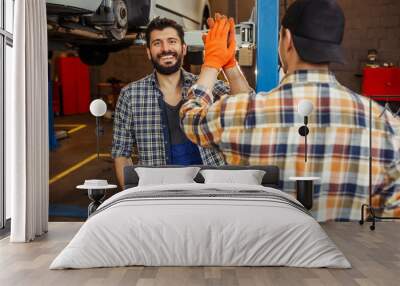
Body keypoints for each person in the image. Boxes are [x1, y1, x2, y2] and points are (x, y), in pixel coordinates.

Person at [180, 0, 400, 221]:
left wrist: (212, 63)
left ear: (287, 40)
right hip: (344, 253)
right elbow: (392, 219)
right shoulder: (384, 125)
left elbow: (191, 118)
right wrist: (230, 66)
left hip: (265, 253)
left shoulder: (242, 113)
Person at [111, 17, 251, 187]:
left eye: (172, 41)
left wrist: (230, 64)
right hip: (159, 193)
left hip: (212, 190)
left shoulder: (207, 85)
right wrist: (131, 197)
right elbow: (121, 154)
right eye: (157, 43)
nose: (165, 49)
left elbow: (248, 104)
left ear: (184, 48)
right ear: (148, 52)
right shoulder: (131, 96)